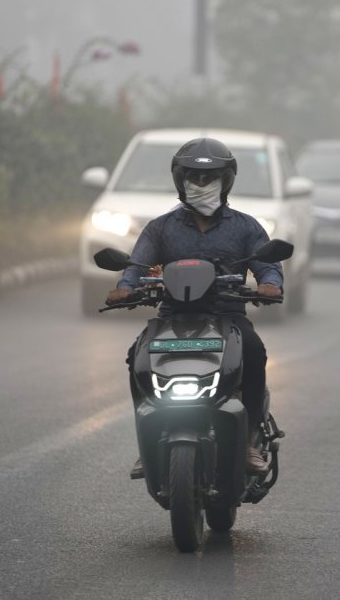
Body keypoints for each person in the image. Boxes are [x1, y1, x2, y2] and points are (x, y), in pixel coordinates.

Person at [105, 137, 283, 478]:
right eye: (194, 177)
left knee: (255, 351)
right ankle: (149, 439)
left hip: (228, 317)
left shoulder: (247, 227)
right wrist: (125, 289)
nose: (202, 184)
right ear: (180, 179)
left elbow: (268, 265)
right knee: (136, 357)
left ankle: (247, 440)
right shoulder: (160, 228)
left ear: (226, 180)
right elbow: (136, 266)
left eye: (210, 177)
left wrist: (270, 284)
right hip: (173, 317)